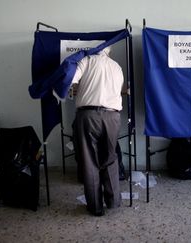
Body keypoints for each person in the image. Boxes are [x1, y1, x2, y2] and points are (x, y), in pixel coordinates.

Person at [71, 46, 123, 216]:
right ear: (109, 51)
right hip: (112, 117)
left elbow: (70, 80)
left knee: (89, 161)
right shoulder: (116, 66)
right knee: (110, 158)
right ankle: (113, 202)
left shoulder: (85, 61)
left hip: (88, 116)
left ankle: (96, 207)